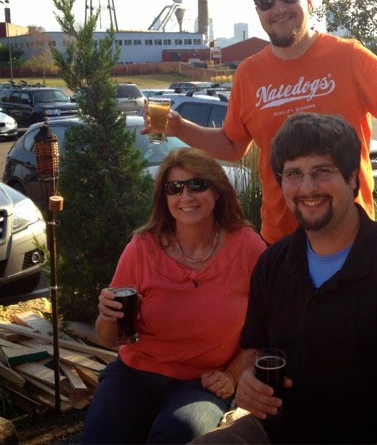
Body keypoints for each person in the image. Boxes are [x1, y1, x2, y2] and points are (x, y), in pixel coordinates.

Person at [192, 112, 377, 444]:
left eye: (322, 171)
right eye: (294, 174)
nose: (307, 188)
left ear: (352, 178)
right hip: (280, 431)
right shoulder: (273, 264)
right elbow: (257, 351)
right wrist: (249, 378)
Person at [148, 0, 377, 245]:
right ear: (258, 11)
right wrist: (179, 128)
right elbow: (233, 145)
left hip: (351, 235)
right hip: (280, 239)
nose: (278, 8)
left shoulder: (350, 57)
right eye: (266, 2)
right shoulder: (249, 73)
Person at [81, 148, 267, 444]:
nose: (186, 196)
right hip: (135, 374)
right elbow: (109, 338)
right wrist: (107, 317)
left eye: (197, 185)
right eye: (175, 188)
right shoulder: (142, 247)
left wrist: (232, 375)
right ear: (164, 197)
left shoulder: (247, 247)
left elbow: (266, 326)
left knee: (177, 434)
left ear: (217, 191)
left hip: (201, 382)